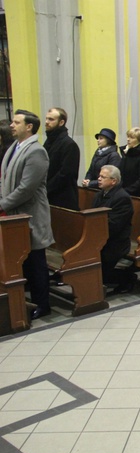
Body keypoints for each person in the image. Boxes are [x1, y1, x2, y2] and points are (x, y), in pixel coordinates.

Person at [0, 110, 54, 320]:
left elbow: (26, 189)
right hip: (15, 217)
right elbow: (4, 180)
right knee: (24, 262)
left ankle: (43, 304)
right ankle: (27, 299)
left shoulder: (36, 152)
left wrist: (2, 204)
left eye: (16, 122)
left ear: (29, 126)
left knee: (36, 262)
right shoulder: (15, 147)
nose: (12, 125)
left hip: (31, 216)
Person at [92, 165, 135, 293]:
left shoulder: (122, 198)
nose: (99, 179)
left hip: (116, 242)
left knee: (101, 271)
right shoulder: (99, 195)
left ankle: (127, 278)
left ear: (113, 181)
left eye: (103, 177)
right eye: (99, 176)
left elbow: (114, 225)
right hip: (101, 239)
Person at [44, 107, 80, 210]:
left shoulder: (69, 145)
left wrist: (46, 189)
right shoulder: (48, 142)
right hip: (48, 196)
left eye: (51, 119)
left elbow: (66, 174)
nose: (46, 122)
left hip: (62, 198)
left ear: (61, 122)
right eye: (46, 118)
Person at [119, 127, 140, 198]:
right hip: (124, 192)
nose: (128, 139)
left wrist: (127, 190)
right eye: (128, 137)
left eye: (132, 137)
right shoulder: (126, 154)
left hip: (137, 194)